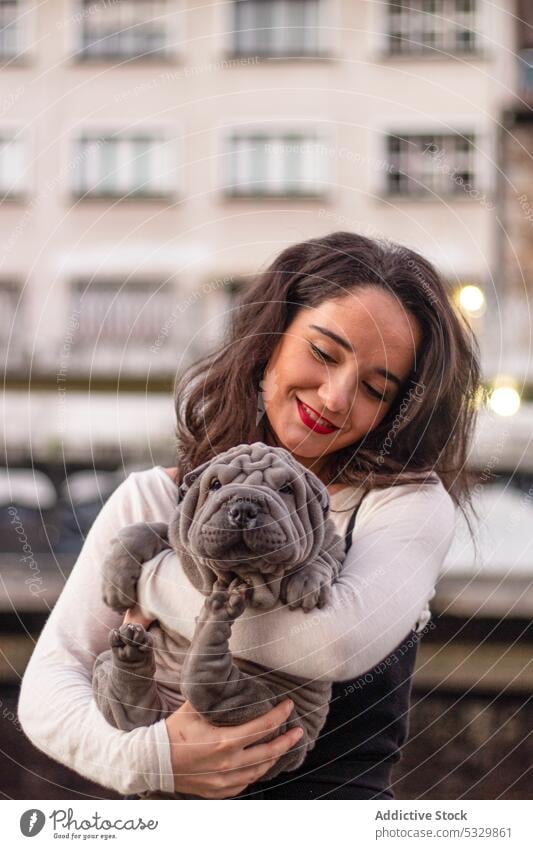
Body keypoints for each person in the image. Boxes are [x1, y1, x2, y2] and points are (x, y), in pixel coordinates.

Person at [18, 231, 480, 799]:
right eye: (324, 353)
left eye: (375, 389)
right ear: (270, 339)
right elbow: (48, 686)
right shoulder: (155, 497)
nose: (335, 397)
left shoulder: (404, 505)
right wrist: (151, 759)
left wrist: (148, 577)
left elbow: (330, 642)